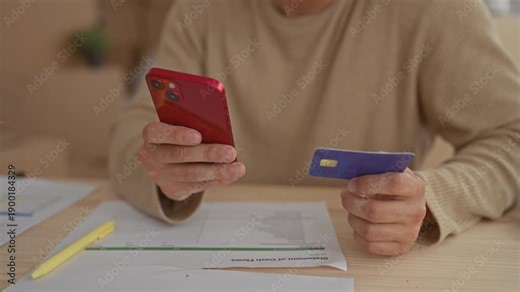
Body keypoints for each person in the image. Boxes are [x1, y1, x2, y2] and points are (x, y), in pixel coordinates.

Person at [109, 0, 519, 256]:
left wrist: (431, 199)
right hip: (209, 255)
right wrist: (163, 173)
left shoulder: (436, 11)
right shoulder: (198, 11)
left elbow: (512, 137)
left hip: (366, 262)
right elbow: (134, 132)